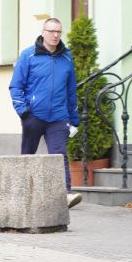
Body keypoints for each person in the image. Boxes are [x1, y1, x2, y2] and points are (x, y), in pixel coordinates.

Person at [9, 17, 81, 208]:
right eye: (51, 31)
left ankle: (65, 194)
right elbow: (16, 86)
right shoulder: (28, 56)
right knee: (28, 155)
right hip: (33, 115)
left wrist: (73, 118)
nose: (56, 35)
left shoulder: (67, 57)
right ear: (43, 33)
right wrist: (23, 111)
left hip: (58, 117)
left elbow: (71, 90)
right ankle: (22, 194)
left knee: (59, 155)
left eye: (59, 31)